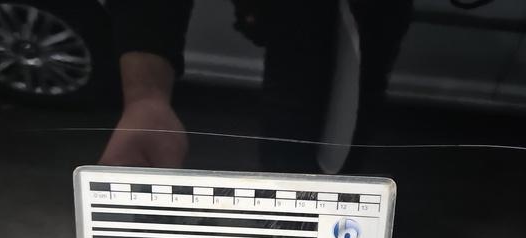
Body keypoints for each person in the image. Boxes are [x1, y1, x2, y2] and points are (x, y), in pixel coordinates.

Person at [99, 0, 413, 173]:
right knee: (289, 122)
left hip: (362, 18)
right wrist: (146, 97)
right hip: (287, 19)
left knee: (341, 135)